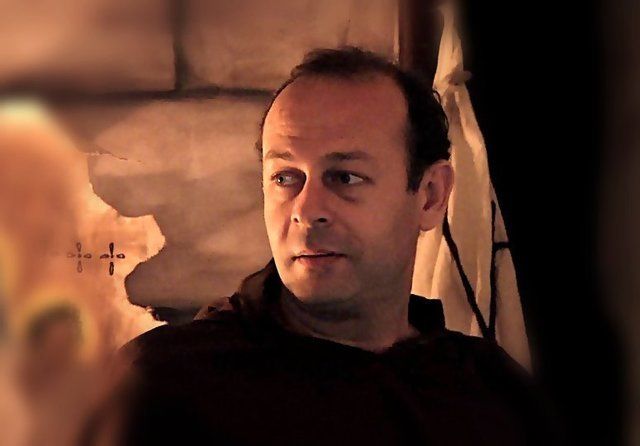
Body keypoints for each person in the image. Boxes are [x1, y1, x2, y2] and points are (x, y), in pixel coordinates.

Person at [83, 47, 563, 445]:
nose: (306, 209)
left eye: (345, 177)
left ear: (430, 196)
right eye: (285, 177)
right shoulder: (159, 389)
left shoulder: (491, 390)